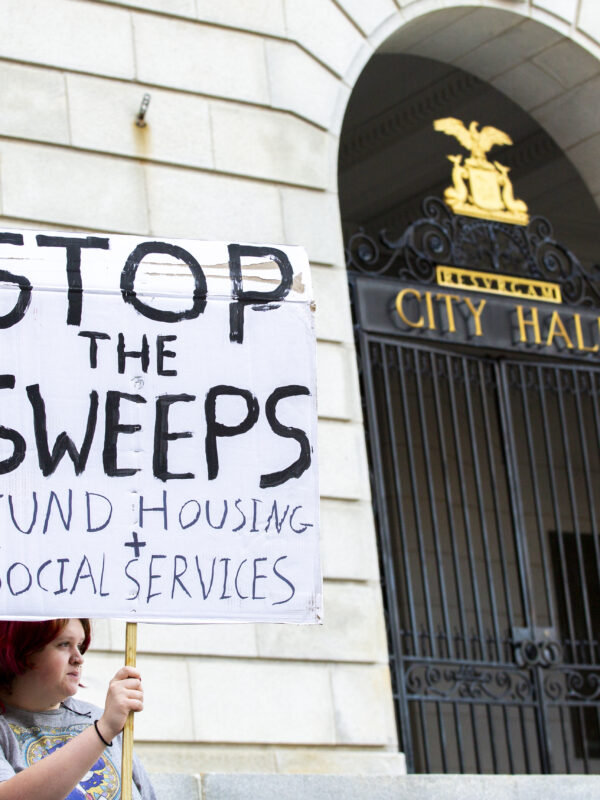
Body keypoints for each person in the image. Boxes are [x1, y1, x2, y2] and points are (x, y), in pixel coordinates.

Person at [0, 618, 156, 799]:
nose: (78, 658)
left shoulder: (97, 716)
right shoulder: (105, 722)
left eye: (80, 646)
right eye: (64, 644)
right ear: (20, 649)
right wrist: (103, 731)